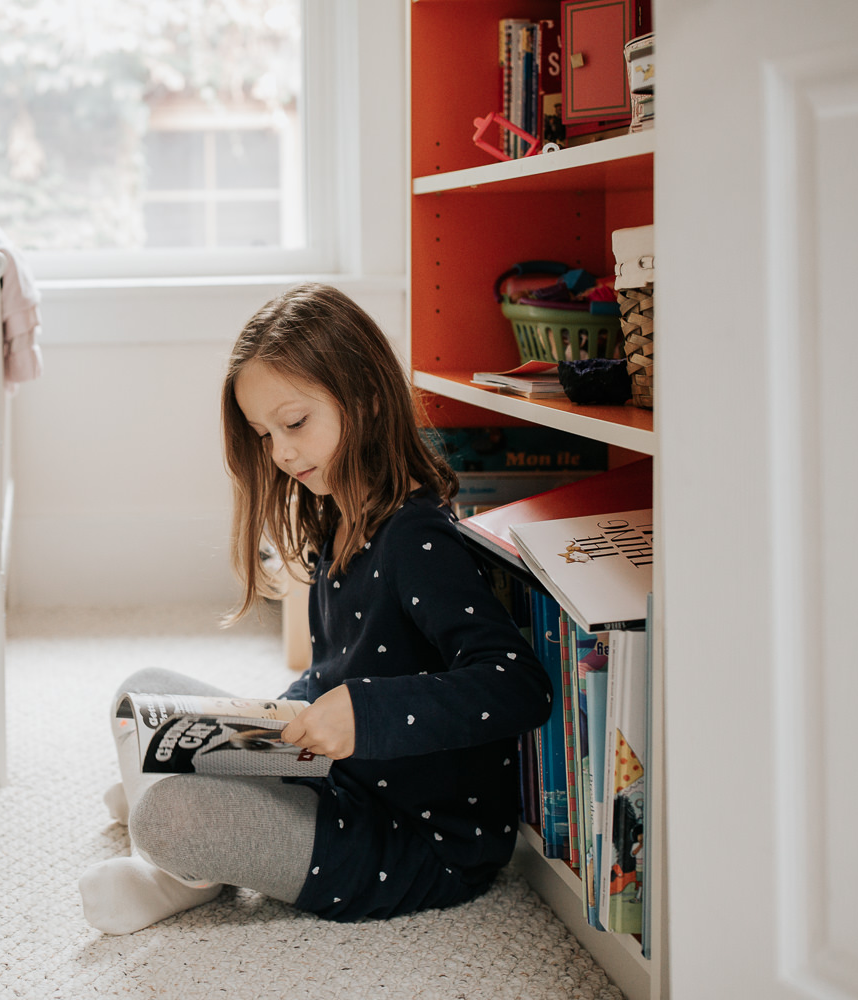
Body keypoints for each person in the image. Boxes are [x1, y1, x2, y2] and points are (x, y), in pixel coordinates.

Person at [78, 283, 554, 935]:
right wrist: (268, 728)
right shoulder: (341, 517)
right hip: (334, 781)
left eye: (294, 424)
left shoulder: (417, 541)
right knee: (140, 696)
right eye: (264, 434)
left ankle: (175, 870)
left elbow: (520, 687)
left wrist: (366, 712)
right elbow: (336, 670)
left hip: (412, 840)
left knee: (169, 815)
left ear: (367, 395)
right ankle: (184, 829)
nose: (280, 453)